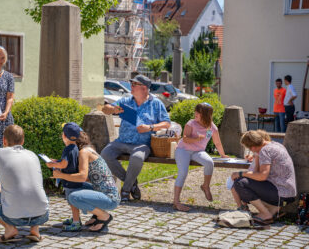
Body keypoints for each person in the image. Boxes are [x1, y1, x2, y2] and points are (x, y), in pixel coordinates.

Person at [101, 74, 170, 202]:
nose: (131, 86)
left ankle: (126, 190)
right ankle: (132, 183)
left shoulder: (156, 104)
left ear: (144, 88)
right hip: (121, 141)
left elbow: (166, 123)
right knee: (105, 154)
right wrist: (112, 109)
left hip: (142, 144)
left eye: (134, 84)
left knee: (137, 158)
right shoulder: (126, 100)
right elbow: (105, 109)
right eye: (131, 84)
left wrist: (150, 127)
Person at [0, 125, 49, 243]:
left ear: (4, 140)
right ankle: (35, 230)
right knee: (37, 193)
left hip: (14, 216)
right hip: (42, 214)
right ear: (23, 140)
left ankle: (10, 229)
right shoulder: (32, 154)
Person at [53, 130, 120, 232]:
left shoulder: (83, 152)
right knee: (73, 186)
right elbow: (89, 177)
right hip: (108, 193)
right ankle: (92, 217)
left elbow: (82, 177)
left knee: (74, 197)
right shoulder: (89, 149)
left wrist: (61, 175)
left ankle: (104, 216)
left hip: (109, 199)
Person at [231, 130, 296, 225]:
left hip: (280, 192)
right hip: (288, 192)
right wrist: (256, 156)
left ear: (252, 147)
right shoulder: (276, 144)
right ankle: (273, 209)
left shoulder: (265, 151)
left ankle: (266, 214)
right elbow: (257, 174)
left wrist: (240, 173)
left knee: (240, 183)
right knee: (244, 182)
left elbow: (262, 176)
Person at [173, 103, 228, 212]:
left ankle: (205, 186)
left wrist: (222, 154)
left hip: (198, 151)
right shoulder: (191, 123)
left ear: (206, 115)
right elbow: (185, 139)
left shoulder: (211, 127)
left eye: (198, 112)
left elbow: (217, 143)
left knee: (209, 163)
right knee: (183, 172)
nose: (195, 114)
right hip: (183, 150)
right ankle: (176, 202)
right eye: (196, 111)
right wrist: (197, 139)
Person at [46, 122, 92, 232]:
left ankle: (76, 222)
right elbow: (68, 162)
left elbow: (64, 164)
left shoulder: (67, 149)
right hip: (73, 180)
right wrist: (57, 161)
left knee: (72, 203)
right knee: (72, 203)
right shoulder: (75, 147)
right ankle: (75, 219)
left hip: (70, 181)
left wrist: (52, 164)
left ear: (64, 136)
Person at [228, 130, 271, 211]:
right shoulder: (258, 152)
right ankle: (242, 206)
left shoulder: (262, 152)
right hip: (254, 174)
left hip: (257, 176)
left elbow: (256, 171)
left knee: (236, 183)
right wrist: (252, 157)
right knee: (236, 181)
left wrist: (256, 157)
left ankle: (242, 206)